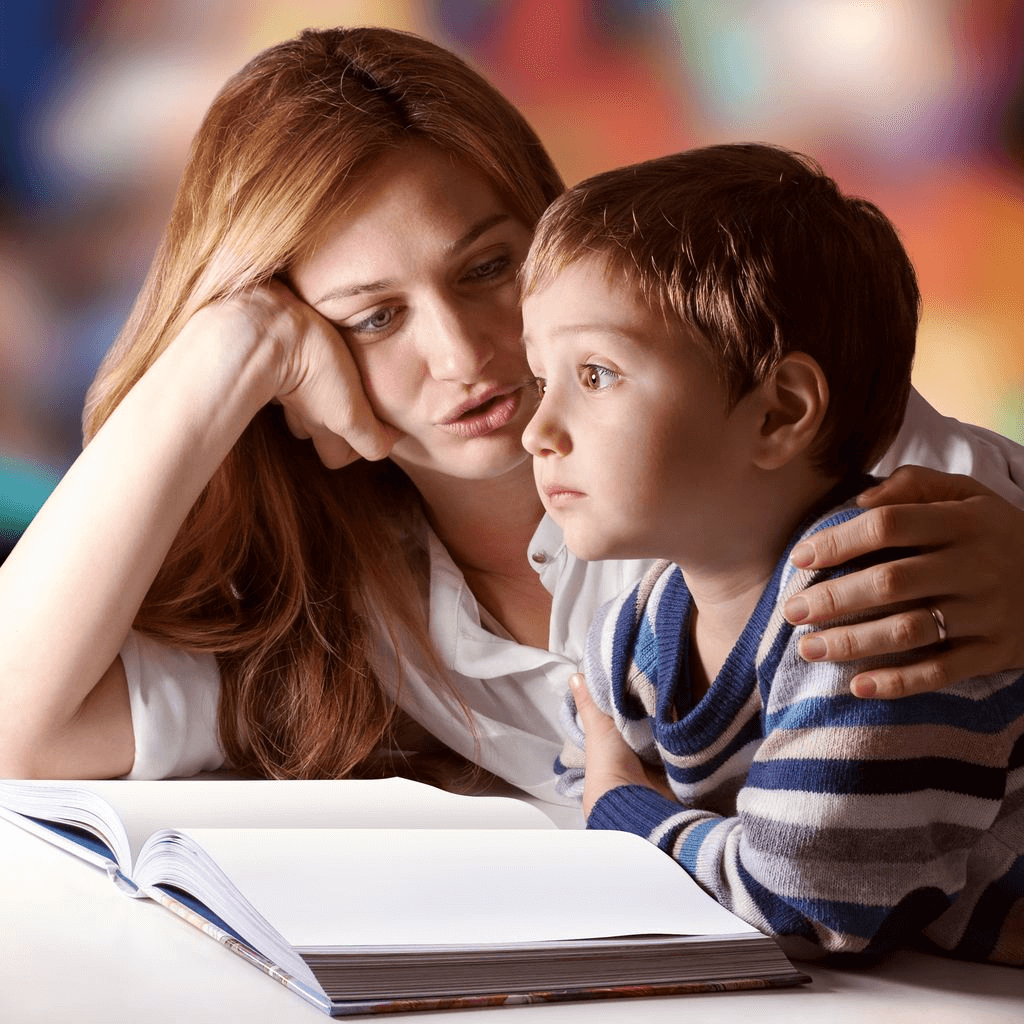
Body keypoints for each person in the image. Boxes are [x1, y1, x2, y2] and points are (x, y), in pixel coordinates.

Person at [0, 28, 1022, 799]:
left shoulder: (744, 428)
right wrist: (216, 355)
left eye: (489, 266)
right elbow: (17, 736)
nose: (463, 353)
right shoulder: (333, 607)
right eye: (374, 317)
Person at [522, 144, 1023, 962]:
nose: (538, 431)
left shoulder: (864, 608)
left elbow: (806, 905)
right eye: (542, 378)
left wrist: (626, 811)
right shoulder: (639, 625)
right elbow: (592, 766)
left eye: (599, 374)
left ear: (778, 413)